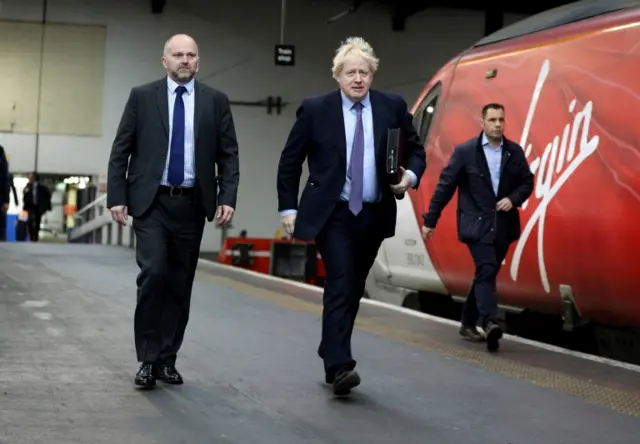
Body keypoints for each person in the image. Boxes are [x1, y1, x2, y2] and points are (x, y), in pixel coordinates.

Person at [276, 36, 426, 396]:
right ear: (338, 76)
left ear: (372, 76)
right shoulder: (315, 110)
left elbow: (417, 150)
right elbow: (290, 161)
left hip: (373, 212)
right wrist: (288, 208)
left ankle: (331, 347)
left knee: (354, 286)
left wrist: (409, 177)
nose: (357, 79)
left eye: (364, 72)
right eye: (350, 72)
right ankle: (341, 364)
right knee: (342, 278)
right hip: (334, 212)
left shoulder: (392, 106)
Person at [106, 33, 240, 388]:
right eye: (178, 54)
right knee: (153, 274)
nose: (185, 60)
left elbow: (229, 155)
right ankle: (147, 361)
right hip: (151, 203)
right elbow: (122, 148)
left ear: (198, 61)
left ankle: (167, 359)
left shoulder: (216, 101)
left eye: (191, 55)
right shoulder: (142, 97)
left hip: (192, 205)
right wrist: (117, 195)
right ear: (164, 61)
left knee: (180, 283)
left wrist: (227, 196)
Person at [421, 103, 534, 352]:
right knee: (486, 267)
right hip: (476, 224)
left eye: (501, 120)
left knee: (486, 273)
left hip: (503, 225)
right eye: (492, 120)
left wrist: (513, 199)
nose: (497, 124)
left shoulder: (514, 152)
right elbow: (445, 186)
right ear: (481, 123)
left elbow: (527, 182)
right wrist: (431, 220)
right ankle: (489, 320)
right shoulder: (465, 152)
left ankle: (467, 323)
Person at [22, 172, 51, 242]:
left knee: (37, 222)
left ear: (35, 179)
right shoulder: (28, 186)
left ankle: (35, 237)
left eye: (31, 178)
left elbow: (48, 195)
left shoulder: (42, 187)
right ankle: (31, 237)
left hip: (38, 207)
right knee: (29, 222)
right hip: (30, 207)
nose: (30, 179)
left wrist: (44, 205)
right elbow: (24, 196)